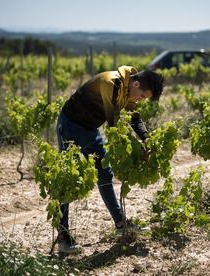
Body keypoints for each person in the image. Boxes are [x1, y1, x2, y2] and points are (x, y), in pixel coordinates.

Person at [56, 65, 164, 253]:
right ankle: (63, 237)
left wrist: (146, 140)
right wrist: (137, 149)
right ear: (136, 84)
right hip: (71, 126)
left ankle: (121, 224)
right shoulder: (111, 83)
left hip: (91, 130)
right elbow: (114, 126)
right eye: (142, 96)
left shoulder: (130, 88)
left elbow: (134, 118)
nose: (140, 100)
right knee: (67, 181)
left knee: (105, 174)